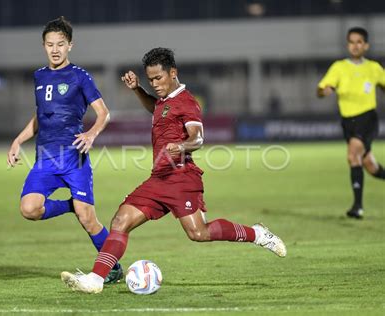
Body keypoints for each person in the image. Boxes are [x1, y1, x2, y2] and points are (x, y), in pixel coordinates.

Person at [61, 47, 286, 294]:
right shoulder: (164, 101)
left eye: (159, 78)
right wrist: (138, 89)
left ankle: (256, 234)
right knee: (120, 220)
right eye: (151, 80)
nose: (155, 84)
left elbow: (198, 138)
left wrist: (181, 145)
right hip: (158, 179)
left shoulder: (187, 102)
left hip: (181, 178)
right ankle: (96, 279)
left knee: (199, 233)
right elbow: (156, 108)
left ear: (173, 73)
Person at [6, 17, 123, 283]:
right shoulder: (39, 76)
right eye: (50, 44)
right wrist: (18, 140)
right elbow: (40, 116)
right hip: (45, 159)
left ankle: (113, 267)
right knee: (29, 208)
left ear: (70, 45)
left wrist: (92, 133)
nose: (55, 49)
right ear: (44, 46)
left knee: (88, 219)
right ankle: (71, 205)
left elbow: (103, 113)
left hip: (73, 158)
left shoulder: (80, 77)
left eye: (60, 44)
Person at [317, 27, 385, 219]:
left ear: (366, 45)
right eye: (351, 42)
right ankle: (358, 204)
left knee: (352, 155)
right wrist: (325, 91)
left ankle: (358, 207)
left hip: (367, 119)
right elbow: (320, 90)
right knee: (370, 166)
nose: (355, 46)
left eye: (359, 42)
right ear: (348, 44)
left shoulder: (374, 68)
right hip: (348, 122)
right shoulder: (339, 67)